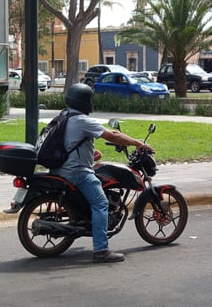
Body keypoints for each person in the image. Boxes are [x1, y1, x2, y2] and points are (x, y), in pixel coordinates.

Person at [51, 83, 153, 263]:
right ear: (85, 102)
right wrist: (138, 143)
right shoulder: (83, 120)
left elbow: (71, 142)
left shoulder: (65, 115)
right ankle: (101, 251)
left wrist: (91, 154)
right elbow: (113, 135)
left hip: (62, 168)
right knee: (101, 203)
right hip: (77, 172)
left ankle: (86, 221)